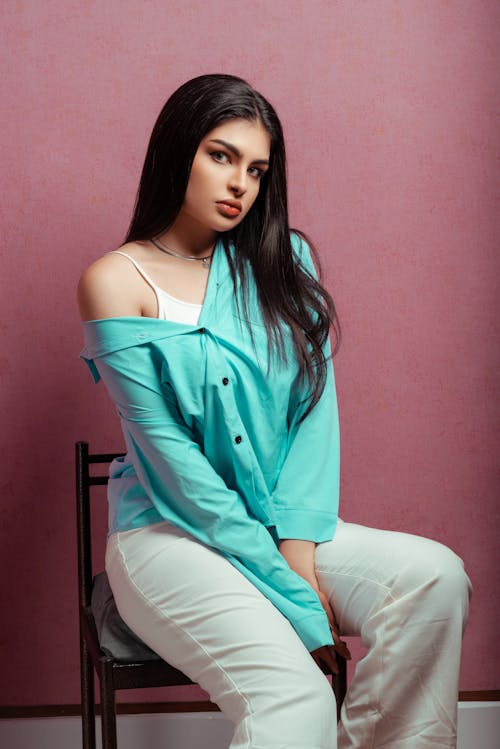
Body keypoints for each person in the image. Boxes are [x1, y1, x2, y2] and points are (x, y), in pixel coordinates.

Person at [78, 74, 471, 749]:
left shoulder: (285, 259)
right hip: (167, 537)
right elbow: (176, 471)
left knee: (434, 577)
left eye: (257, 169)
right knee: (295, 698)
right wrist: (295, 596)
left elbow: (313, 412)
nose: (241, 184)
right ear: (178, 152)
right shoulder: (116, 280)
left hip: (278, 525)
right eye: (221, 156)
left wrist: (296, 551)